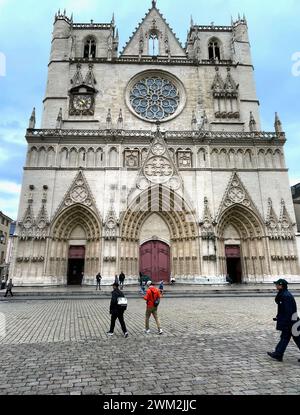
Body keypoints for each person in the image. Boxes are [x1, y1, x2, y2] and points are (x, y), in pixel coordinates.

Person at [267, 279, 300, 362]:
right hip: (292, 321)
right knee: (286, 338)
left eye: (277, 284)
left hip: (292, 322)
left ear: (281, 286)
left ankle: (278, 354)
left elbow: (288, 311)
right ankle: (278, 354)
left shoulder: (286, 296)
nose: (276, 286)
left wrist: (286, 322)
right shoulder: (283, 294)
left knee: (293, 338)